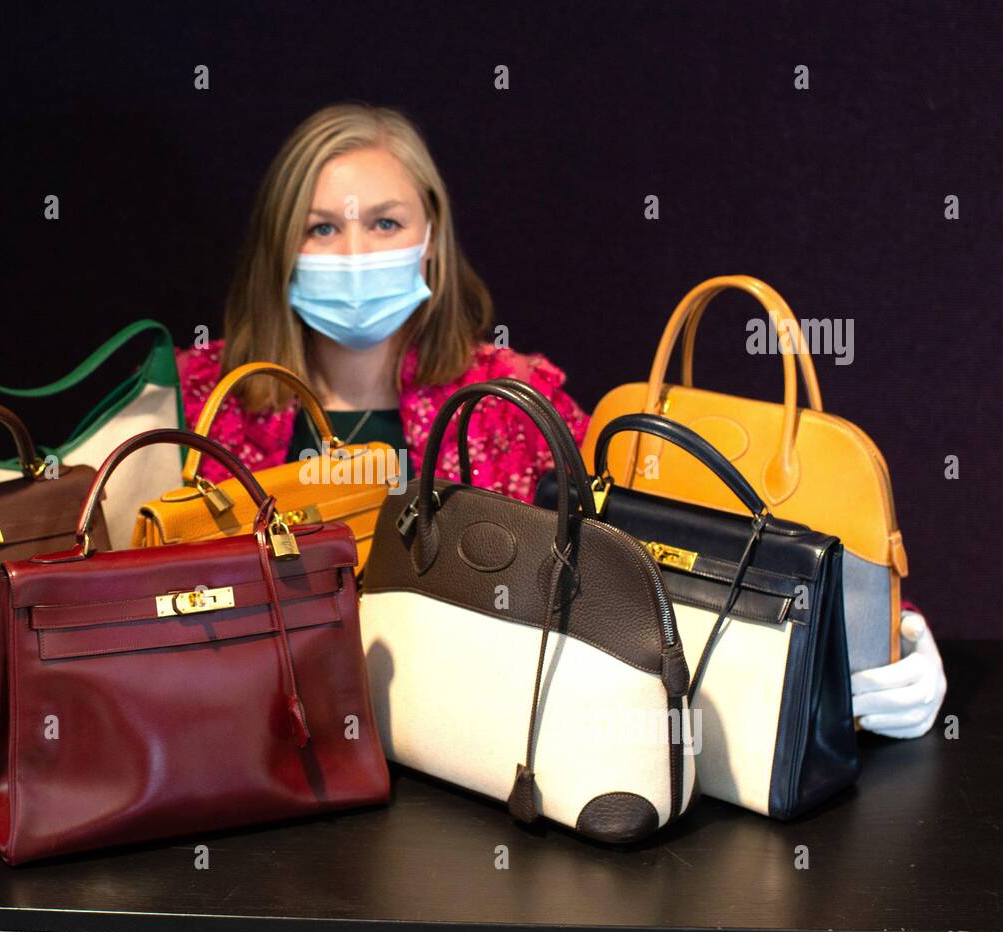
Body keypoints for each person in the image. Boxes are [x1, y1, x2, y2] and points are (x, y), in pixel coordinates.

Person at [176, 101, 946, 739]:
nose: (352, 253)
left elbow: (662, 536)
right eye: (321, 228)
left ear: (431, 238)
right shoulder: (197, 401)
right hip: (267, 758)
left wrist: (878, 628)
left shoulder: (512, 401)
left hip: (482, 764)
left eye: (384, 224)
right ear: (280, 245)